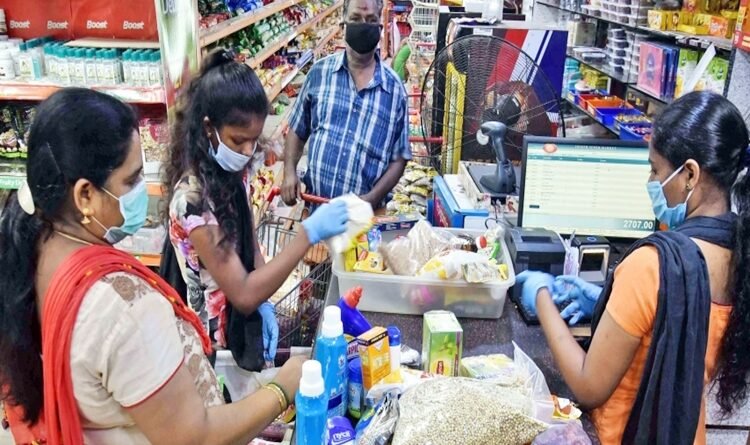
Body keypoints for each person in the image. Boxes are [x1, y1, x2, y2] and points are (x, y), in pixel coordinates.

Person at [0, 88, 306, 445]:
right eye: (132, 180)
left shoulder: (30, 247)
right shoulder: (123, 308)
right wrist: (283, 387)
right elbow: (195, 438)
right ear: (85, 195)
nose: (141, 190)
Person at [517, 91, 750, 444]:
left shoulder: (654, 265)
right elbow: (678, 328)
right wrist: (606, 305)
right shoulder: (739, 253)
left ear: (689, 174)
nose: (651, 182)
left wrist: (541, 296)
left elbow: (588, 386)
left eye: (656, 169)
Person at [164, 48, 348, 371]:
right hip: (211, 346)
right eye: (239, 141)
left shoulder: (231, 171)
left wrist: (264, 302)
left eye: (253, 139)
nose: (248, 151)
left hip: (240, 328)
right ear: (208, 128)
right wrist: (307, 234)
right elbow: (243, 294)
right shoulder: (192, 201)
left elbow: (250, 239)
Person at [281, 0, 410, 210]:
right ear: (343, 25)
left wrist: (372, 198)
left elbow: (400, 157)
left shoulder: (394, 90)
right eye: (356, 19)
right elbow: (297, 129)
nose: (363, 26)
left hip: (365, 220)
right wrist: (289, 172)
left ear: (380, 28)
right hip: (317, 211)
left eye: (371, 20)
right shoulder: (319, 73)